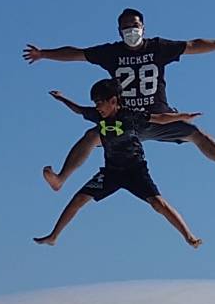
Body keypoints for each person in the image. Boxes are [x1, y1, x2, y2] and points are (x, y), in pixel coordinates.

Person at [23, 8, 215, 190]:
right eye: (126, 27)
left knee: (196, 134)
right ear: (119, 31)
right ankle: (60, 179)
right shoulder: (111, 52)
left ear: (143, 28)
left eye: (135, 26)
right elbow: (76, 53)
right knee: (91, 137)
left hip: (159, 118)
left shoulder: (158, 48)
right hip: (125, 122)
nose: (131, 31)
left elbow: (192, 45)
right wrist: (44, 54)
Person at [34, 81, 202, 249]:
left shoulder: (130, 115)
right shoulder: (98, 115)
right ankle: (53, 236)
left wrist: (182, 116)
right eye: (95, 103)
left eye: (100, 102)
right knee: (79, 199)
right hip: (111, 172)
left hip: (135, 171)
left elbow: (160, 118)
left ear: (113, 101)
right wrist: (62, 98)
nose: (98, 107)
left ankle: (189, 236)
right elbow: (79, 110)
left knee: (158, 204)